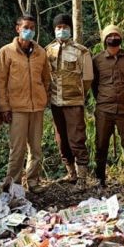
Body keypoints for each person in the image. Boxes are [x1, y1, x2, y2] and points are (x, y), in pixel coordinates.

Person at [0, 15, 51, 193]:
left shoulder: (40, 52)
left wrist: (44, 98)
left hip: (37, 108)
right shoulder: (6, 52)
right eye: (26, 27)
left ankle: (33, 182)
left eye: (32, 28)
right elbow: (0, 81)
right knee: (17, 149)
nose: (29, 31)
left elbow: (46, 79)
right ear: (18, 28)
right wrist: (4, 107)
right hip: (17, 108)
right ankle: (13, 185)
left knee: (35, 148)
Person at [45, 14, 94, 189]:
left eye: (65, 27)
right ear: (54, 29)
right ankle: (71, 173)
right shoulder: (48, 50)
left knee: (77, 139)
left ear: (70, 29)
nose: (62, 30)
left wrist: (78, 93)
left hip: (74, 102)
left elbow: (88, 78)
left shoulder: (81, 51)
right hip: (55, 102)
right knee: (61, 140)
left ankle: (82, 178)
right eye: (58, 27)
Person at [92, 25, 124, 189]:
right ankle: (100, 178)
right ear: (104, 39)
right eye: (110, 35)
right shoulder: (97, 60)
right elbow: (94, 84)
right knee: (101, 144)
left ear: (120, 37)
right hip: (104, 109)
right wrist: (105, 98)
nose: (113, 38)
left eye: (116, 35)